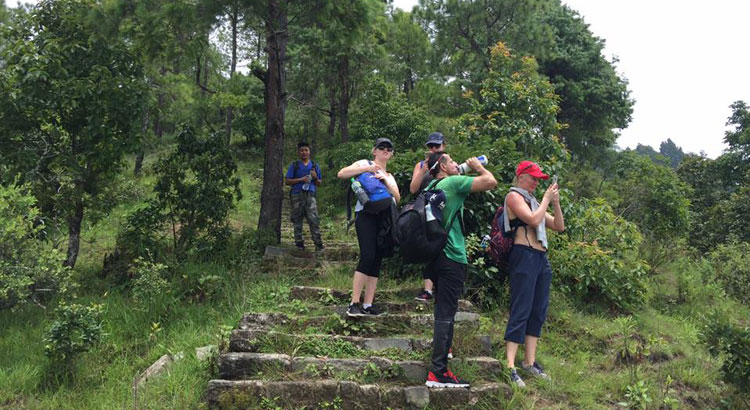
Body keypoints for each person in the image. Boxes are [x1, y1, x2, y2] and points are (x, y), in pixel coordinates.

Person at [423, 151, 497, 388]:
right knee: (446, 312)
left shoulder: (432, 185)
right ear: (442, 167)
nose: (457, 163)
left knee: (442, 311)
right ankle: (438, 372)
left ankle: (441, 362)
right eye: (451, 161)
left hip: (435, 257)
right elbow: (491, 182)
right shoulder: (452, 183)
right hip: (452, 256)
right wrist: (478, 167)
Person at [503, 160, 564, 388]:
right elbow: (532, 219)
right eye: (533, 178)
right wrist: (546, 201)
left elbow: (558, 226)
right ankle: (510, 364)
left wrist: (554, 203)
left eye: (539, 179)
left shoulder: (534, 201)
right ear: (521, 176)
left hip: (540, 258)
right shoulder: (514, 197)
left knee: (538, 310)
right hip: (524, 255)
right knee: (521, 308)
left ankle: (529, 362)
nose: (537, 183)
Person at [337, 138, 401, 317]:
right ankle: (354, 302)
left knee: (377, 259)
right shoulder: (364, 163)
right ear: (374, 151)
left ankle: (368, 304)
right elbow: (342, 174)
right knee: (367, 255)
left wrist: (385, 181)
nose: (385, 151)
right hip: (365, 215)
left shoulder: (390, 176)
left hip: (384, 219)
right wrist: (368, 169)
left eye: (389, 149)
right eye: (382, 148)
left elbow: (397, 198)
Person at [411, 132, 446, 303]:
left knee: (444, 248)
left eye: (437, 146)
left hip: (445, 210)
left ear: (443, 146)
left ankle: (442, 287)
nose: (433, 149)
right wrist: (423, 170)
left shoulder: (448, 162)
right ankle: (428, 289)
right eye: (430, 146)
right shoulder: (420, 165)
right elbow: (413, 188)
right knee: (429, 247)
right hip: (427, 210)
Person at [285, 141, 324, 251]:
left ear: (309, 152)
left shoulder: (315, 166)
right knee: (297, 219)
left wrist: (315, 177)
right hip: (296, 194)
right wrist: (301, 180)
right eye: (302, 150)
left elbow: (319, 183)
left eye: (306, 150)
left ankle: (318, 244)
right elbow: (287, 181)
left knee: (313, 219)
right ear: (298, 152)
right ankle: (299, 243)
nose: (304, 152)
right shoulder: (295, 165)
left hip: (310, 195)